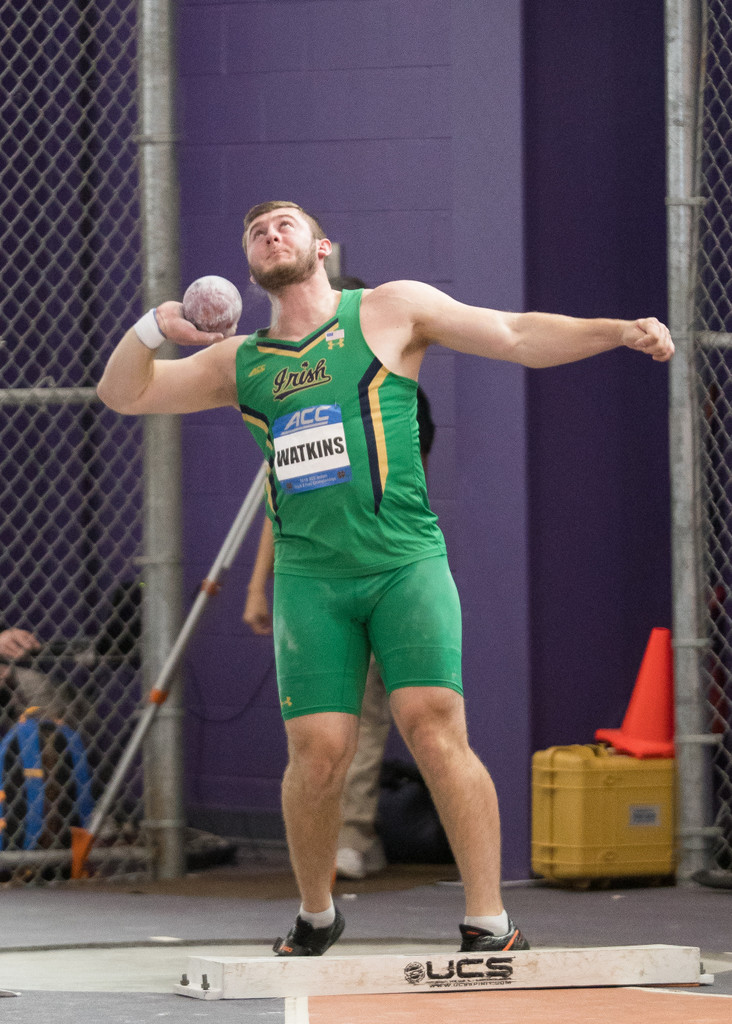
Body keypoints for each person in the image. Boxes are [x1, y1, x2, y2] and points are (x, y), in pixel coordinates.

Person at [97, 199, 674, 957]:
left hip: (405, 563)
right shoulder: (237, 362)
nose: (272, 233)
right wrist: (153, 329)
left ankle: (489, 920)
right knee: (319, 754)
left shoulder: (390, 310)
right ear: (249, 266)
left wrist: (618, 332)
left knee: (435, 728)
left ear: (322, 245)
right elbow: (124, 394)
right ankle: (315, 913)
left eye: (286, 223)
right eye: (256, 231)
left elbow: (513, 332)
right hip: (312, 580)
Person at [243, 280, 437, 880]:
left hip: (388, 571)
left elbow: (382, 486)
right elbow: (289, 501)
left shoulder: (392, 389)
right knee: (318, 732)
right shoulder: (282, 395)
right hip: (315, 583)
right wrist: (258, 586)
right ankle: (318, 869)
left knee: (391, 712)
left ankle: (355, 835)